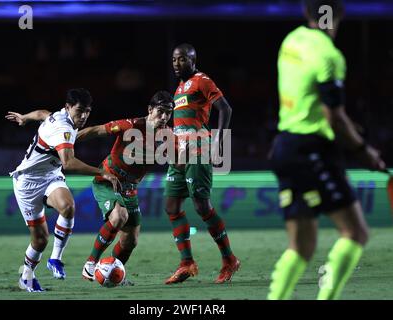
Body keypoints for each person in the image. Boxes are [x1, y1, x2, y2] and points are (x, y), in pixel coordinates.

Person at [267, 0, 386, 300]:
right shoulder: (330, 55)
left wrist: (346, 125)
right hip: (313, 150)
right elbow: (334, 117)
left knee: (301, 247)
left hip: (284, 147)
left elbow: (312, 100)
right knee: (355, 233)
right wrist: (363, 151)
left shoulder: (290, 41)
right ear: (336, 17)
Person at [6, 88, 119, 292]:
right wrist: (102, 173)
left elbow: (42, 114)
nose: (83, 116)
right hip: (27, 184)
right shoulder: (63, 128)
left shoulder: (60, 116)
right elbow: (68, 163)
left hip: (50, 176)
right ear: (68, 108)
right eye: (79, 111)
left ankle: (55, 259)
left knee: (68, 207)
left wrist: (25, 118)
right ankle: (26, 277)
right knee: (40, 240)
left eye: (87, 111)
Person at [77, 91, 173, 283]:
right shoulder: (131, 126)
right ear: (150, 110)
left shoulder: (167, 136)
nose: (163, 117)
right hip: (108, 179)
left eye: (168, 113)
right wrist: (66, 142)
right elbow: (96, 131)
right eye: (160, 111)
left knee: (130, 241)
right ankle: (90, 264)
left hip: (129, 189)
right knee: (119, 216)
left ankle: (113, 273)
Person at [164, 43, 240, 284]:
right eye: (175, 60)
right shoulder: (178, 88)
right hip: (179, 153)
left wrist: (219, 141)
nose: (177, 64)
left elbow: (225, 109)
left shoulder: (202, 80)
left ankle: (229, 260)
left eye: (182, 59)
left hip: (198, 148)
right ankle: (186, 263)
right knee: (172, 205)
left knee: (202, 207)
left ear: (193, 60)